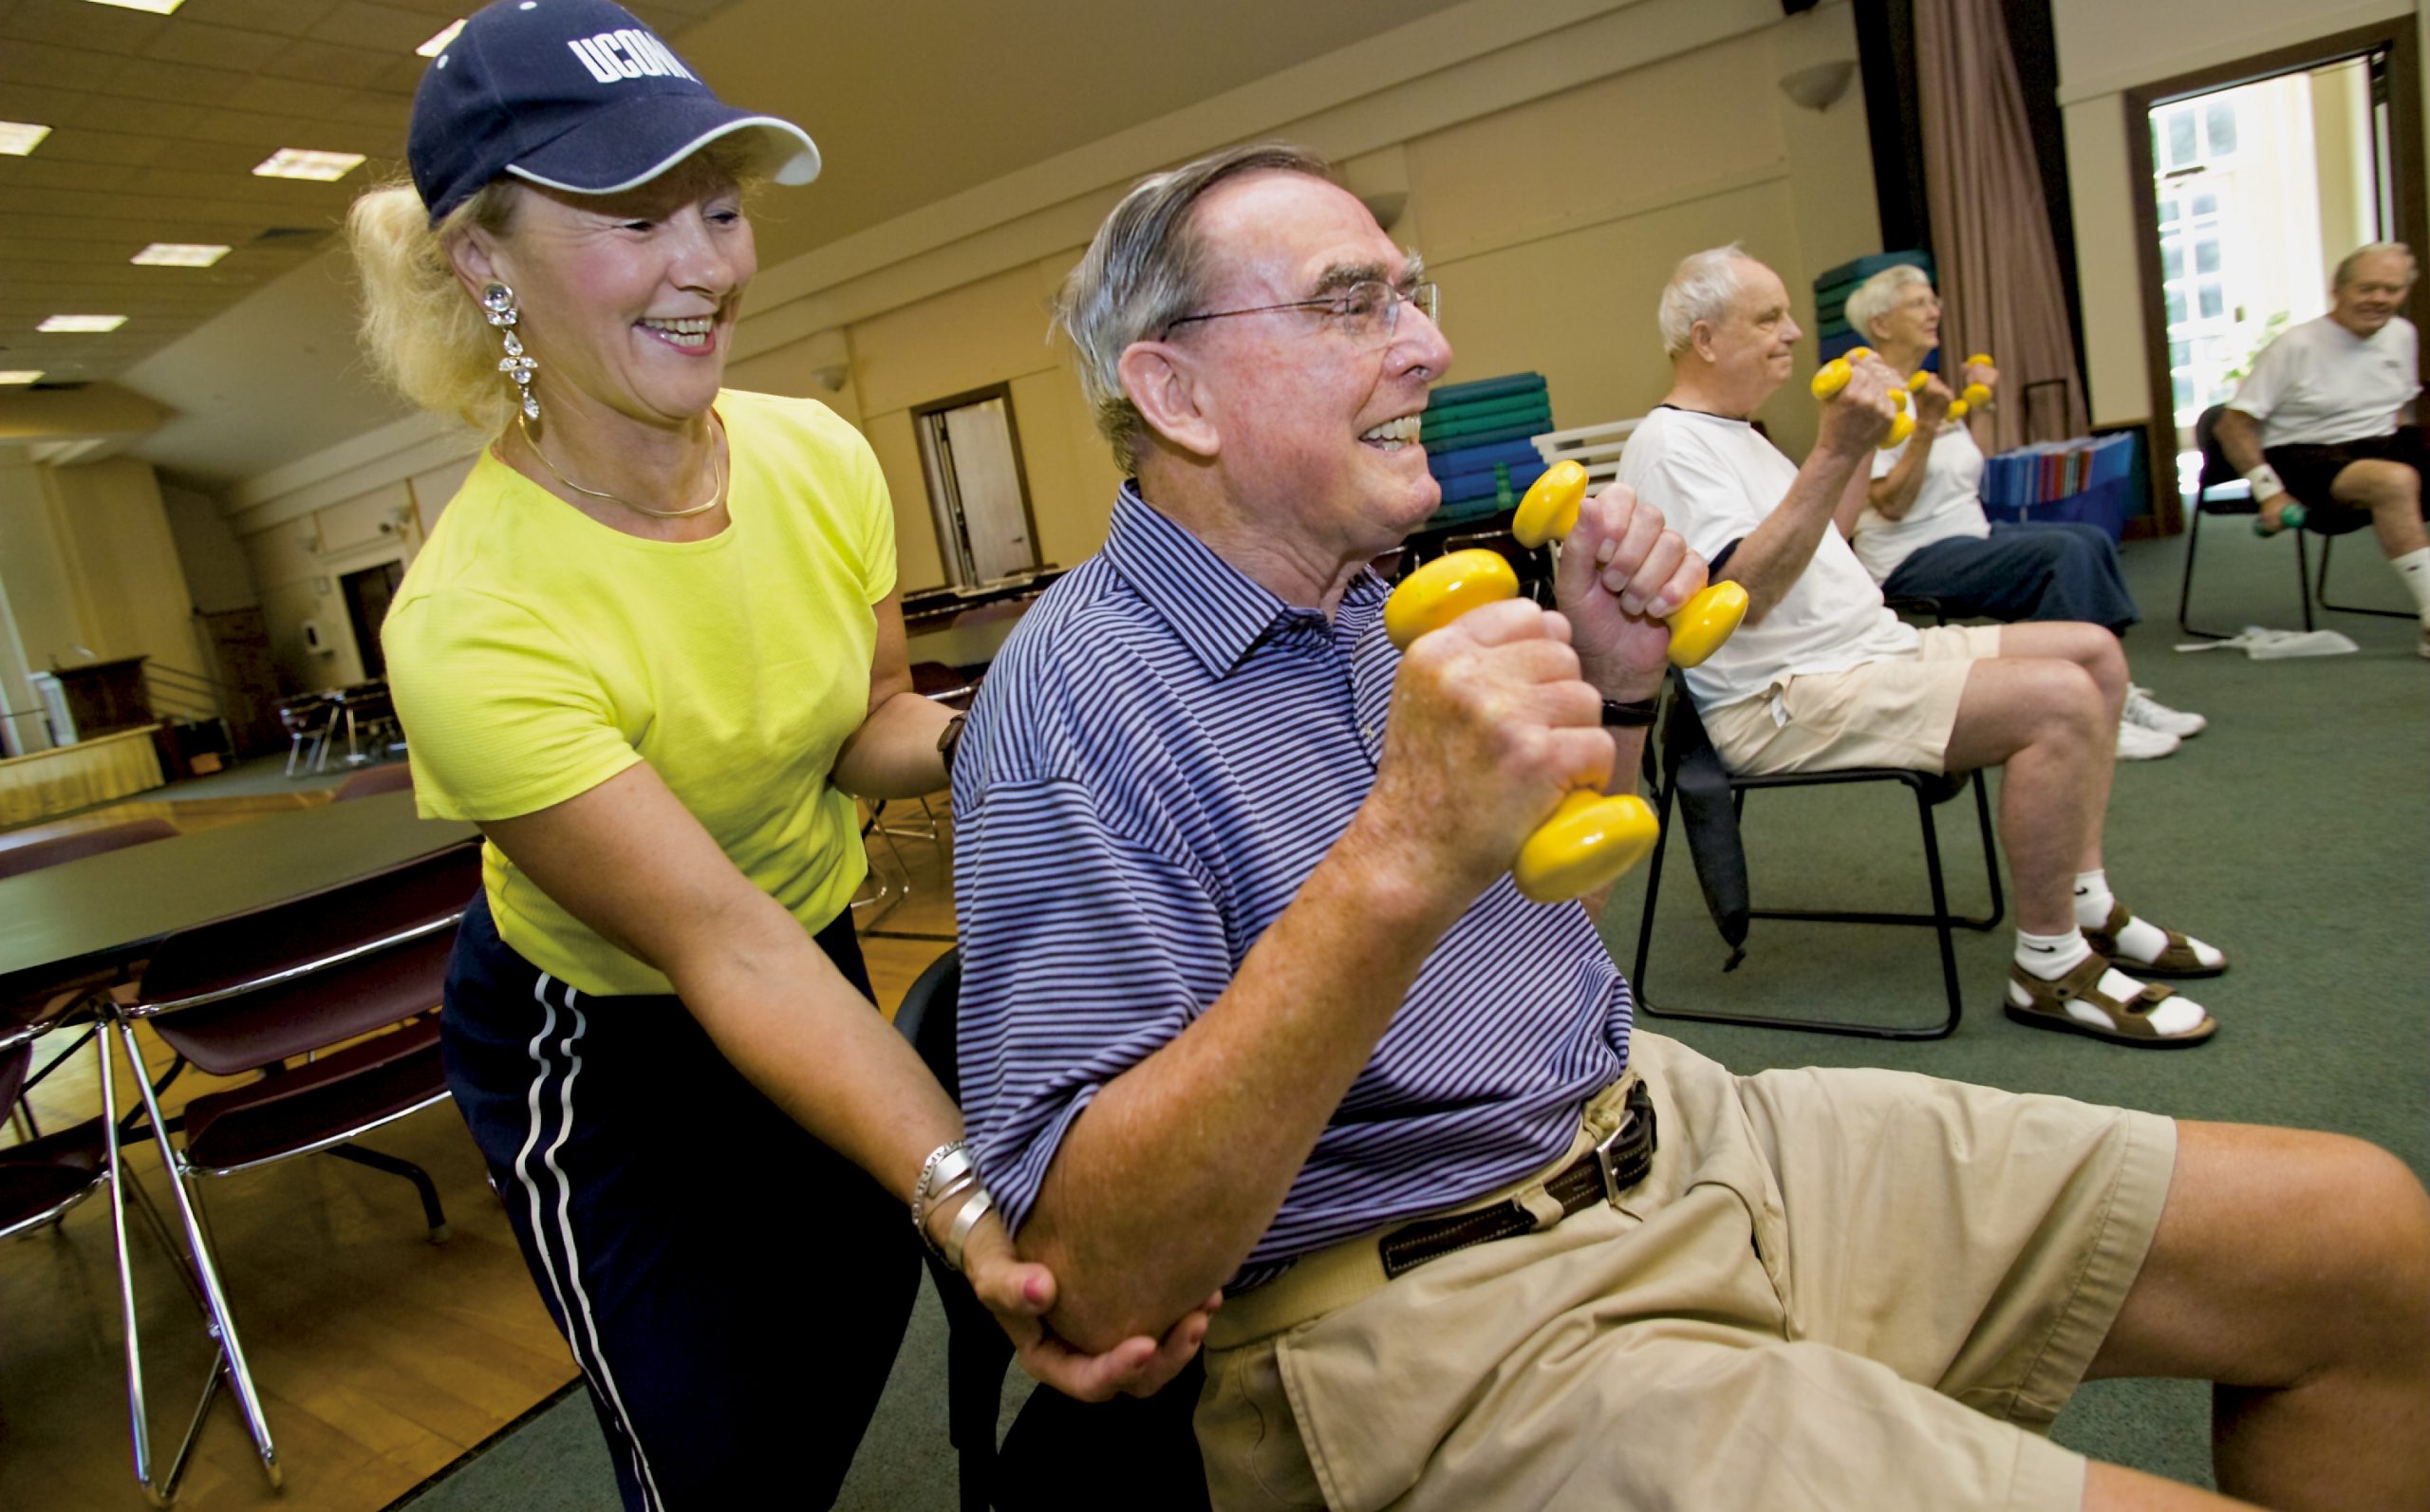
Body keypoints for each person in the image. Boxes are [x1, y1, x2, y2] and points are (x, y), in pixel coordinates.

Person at [949, 142, 2430, 1511]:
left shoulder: (1379, 604)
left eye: (1413, 293)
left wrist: (1605, 692)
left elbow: (1533, 963)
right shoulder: (1076, 696)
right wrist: (1400, 852)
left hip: (1675, 1127)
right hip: (1427, 1298)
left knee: (2364, 1238)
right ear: (1178, 392)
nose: (1429, 345)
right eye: (1352, 303)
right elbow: (1097, 1277)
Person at [354, 0, 1201, 1510]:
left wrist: (1014, 731)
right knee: (716, 1461)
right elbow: (716, 940)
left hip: (809, 952)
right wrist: (964, 1191)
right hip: (599, 1047)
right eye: (630, 214)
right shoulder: (470, 620)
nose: (706, 266)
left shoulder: (813, 452)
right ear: (481, 258)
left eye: (721, 206)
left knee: (826, 1359)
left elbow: (862, 720)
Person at [1624, 246, 2229, 1043]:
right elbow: (1749, 599)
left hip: (1870, 652)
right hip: (1784, 699)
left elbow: (1831, 535)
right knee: (2059, 700)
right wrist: (1836, 449)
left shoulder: (1740, 434)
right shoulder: (1669, 446)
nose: (1794, 333)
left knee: (2093, 652)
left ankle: (2084, 902)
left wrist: (1862, 442)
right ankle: (2049, 966)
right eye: (1769, 317)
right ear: (1705, 339)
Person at [1837, 264, 2203, 756]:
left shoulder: (1927, 385)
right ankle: (2090, 708)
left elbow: (1972, 471)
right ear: (1881, 323)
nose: (1934, 311)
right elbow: (1892, 504)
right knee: (2059, 555)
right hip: (1909, 558)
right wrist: (1924, 427)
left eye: (1934, 301)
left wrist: (1982, 405)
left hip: (1970, 537)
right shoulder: (1874, 396)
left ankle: (2113, 689)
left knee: (2090, 538)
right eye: (1919, 303)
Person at [2213, 242, 2427, 658]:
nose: (2380, 299)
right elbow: (2232, 425)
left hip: (2380, 443)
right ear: (2339, 289)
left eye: (2392, 290)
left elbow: (2396, 408)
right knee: (2394, 480)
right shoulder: (2296, 346)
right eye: (2368, 289)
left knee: (2400, 471)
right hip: (2304, 456)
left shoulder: (2402, 334)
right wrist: (2269, 492)